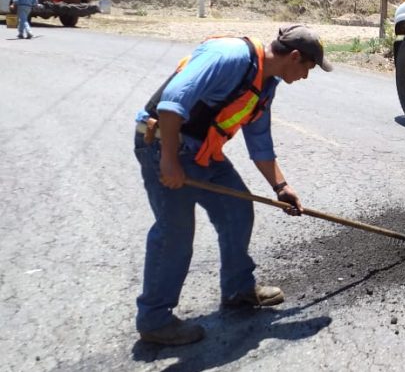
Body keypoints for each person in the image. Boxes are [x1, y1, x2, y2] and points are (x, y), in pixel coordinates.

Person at [133, 25, 333, 345]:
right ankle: (154, 319)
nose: (306, 76)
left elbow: (260, 141)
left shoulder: (265, 84)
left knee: (238, 210)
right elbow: (172, 103)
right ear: (294, 57)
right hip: (164, 143)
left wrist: (281, 187)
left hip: (202, 152)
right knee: (176, 232)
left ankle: (238, 290)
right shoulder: (229, 56)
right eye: (308, 68)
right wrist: (169, 160)